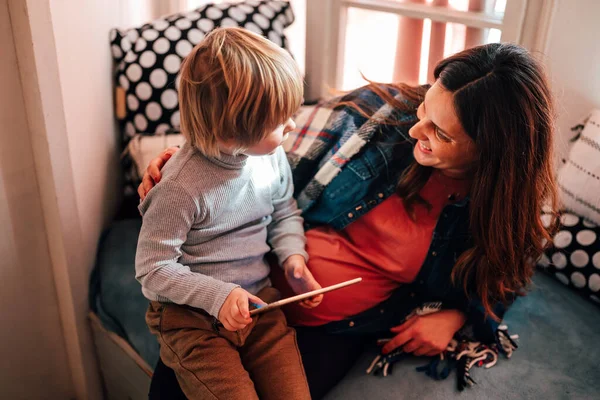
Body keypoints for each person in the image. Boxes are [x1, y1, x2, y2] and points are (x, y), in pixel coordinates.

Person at [139, 42, 558, 399]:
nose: (416, 130)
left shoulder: (498, 212)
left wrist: (458, 317)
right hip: (213, 299)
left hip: (320, 329)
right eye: (426, 107)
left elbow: (507, 274)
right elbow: (262, 135)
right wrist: (196, 160)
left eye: (441, 134)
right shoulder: (380, 117)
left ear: (493, 153)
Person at [135, 27, 323, 400]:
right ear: (232, 131)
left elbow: (284, 211)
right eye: (280, 121)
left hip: (259, 305)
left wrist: (293, 258)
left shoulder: (271, 158)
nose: (292, 126)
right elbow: (152, 269)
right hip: (190, 320)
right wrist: (218, 297)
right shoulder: (180, 186)